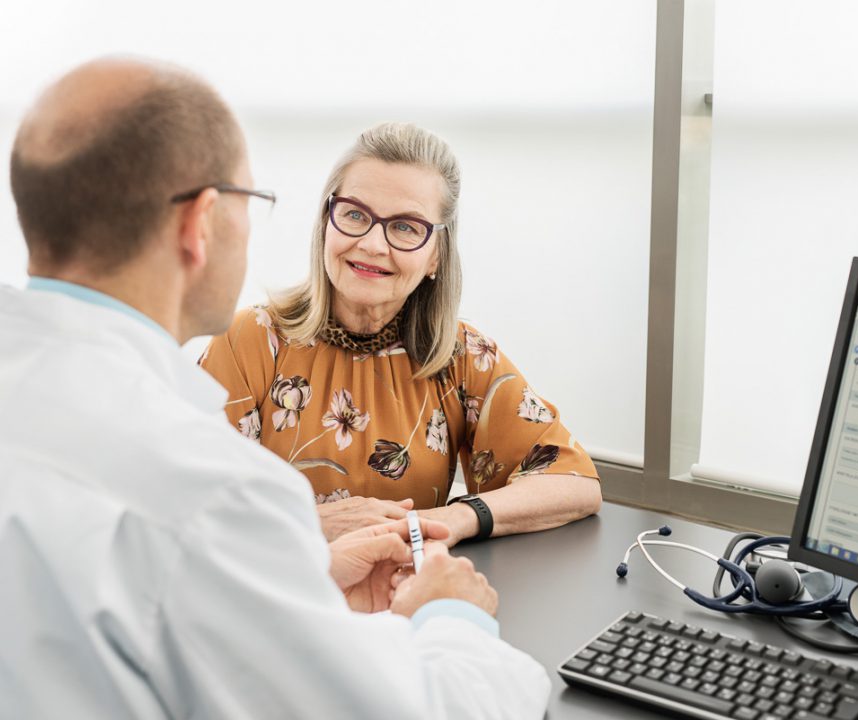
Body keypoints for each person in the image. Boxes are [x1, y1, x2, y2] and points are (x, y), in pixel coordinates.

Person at [0, 57, 549, 718]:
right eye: (250, 202)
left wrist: (303, 583)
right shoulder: (214, 491)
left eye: (405, 226)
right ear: (199, 224)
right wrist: (453, 620)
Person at [200, 122, 603, 545]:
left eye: (406, 227)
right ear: (326, 225)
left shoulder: (461, 355)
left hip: (408, 598)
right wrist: (310, 524)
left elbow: (575, 483)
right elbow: (185, 502)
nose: (373, 244)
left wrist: (456, 519)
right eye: (355, 215)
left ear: (436, 257)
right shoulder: (250, 339)